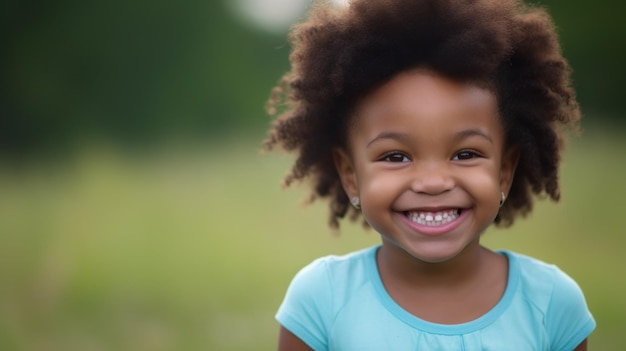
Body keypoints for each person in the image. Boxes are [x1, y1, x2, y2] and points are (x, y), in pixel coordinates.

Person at [264, 0, 596, 349]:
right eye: (396, 156)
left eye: (465, 154)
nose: (433, 182)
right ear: (350, 177)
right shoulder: (321, 301)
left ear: (504, 172)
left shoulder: (552, 305)